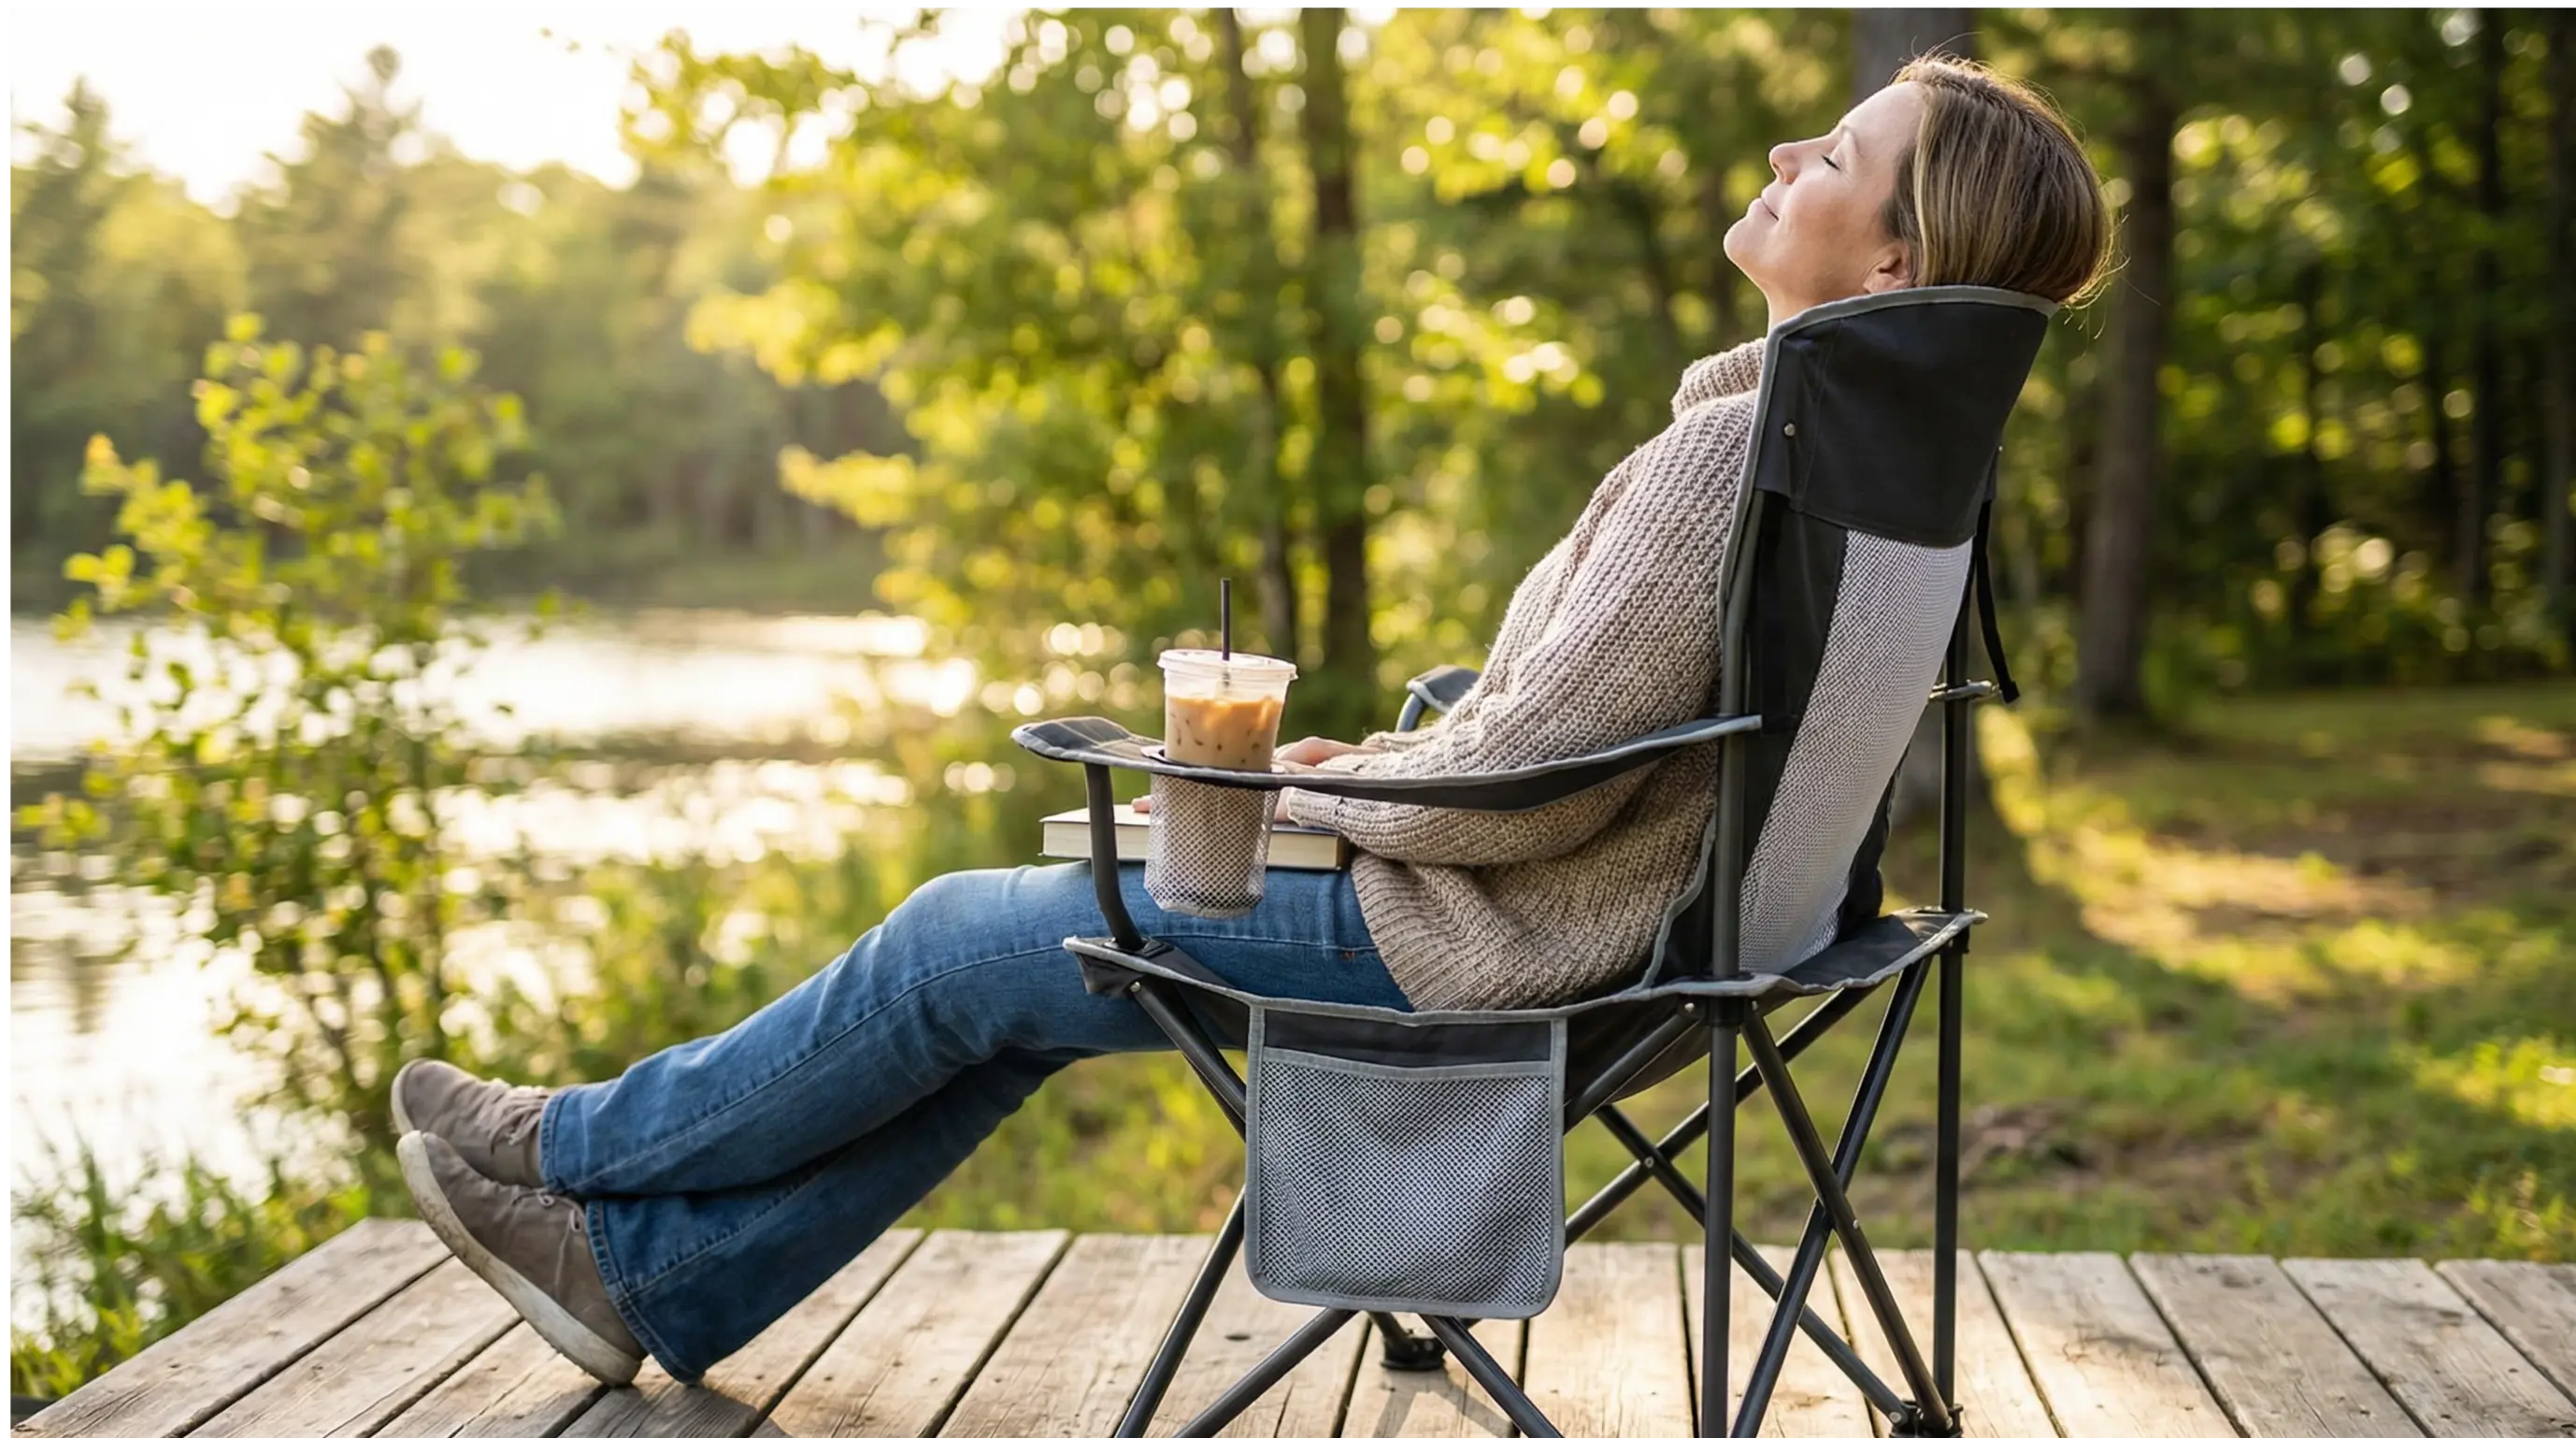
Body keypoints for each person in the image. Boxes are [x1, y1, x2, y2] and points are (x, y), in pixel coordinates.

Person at [394, 55, 2113, 1388]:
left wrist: (1348, 783)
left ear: (1893, 250)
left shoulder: (1731, 463)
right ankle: (644, 1280)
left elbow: (1515, 792)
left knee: (953, 944)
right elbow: (1584, 753)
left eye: (1830, 153)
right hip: (1680, 952)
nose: (1780, 160)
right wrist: (1383, 774)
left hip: (1495, 947)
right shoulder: (1883, 484)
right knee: (1023, 985)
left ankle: (577, 1147)